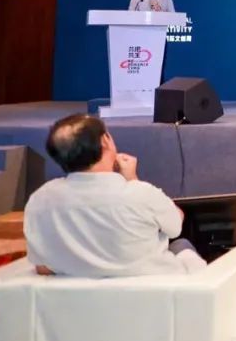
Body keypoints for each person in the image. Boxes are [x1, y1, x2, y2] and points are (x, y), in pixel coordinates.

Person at [24, 114, 205, 277]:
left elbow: (42, 267)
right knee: (180, 244)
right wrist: (133, 180)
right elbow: (175, 225)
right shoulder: (140, 193)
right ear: (105, 141)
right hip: (157, 290)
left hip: (75, 298)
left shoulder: (40, 198)